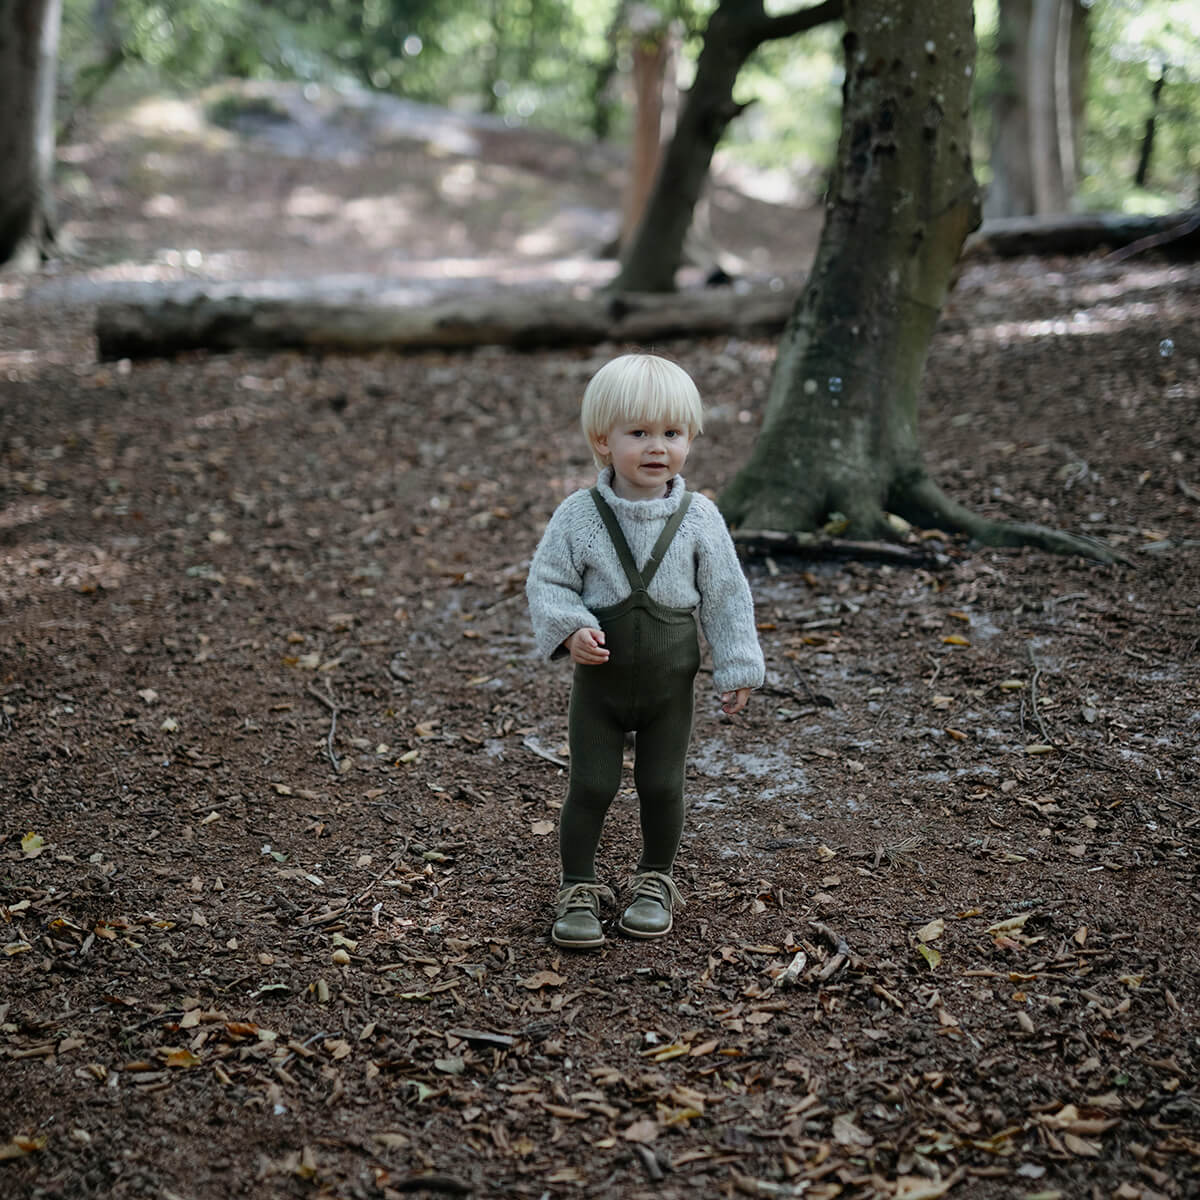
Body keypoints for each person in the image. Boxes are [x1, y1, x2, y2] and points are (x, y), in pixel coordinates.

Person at [526, 352, 765, 949]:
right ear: (602, 441)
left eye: (672, 433)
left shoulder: (699, 519)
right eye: (639, 433)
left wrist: (737, 665)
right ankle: (578, 886)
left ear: (689, 439)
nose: (657, 446)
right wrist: (571, 628)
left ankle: (656, 878)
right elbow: (548, 580)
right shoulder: (579, 516)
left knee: (662, 784)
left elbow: (727, 595)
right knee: (592, 785)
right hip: (602, 688)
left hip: (669, 688)